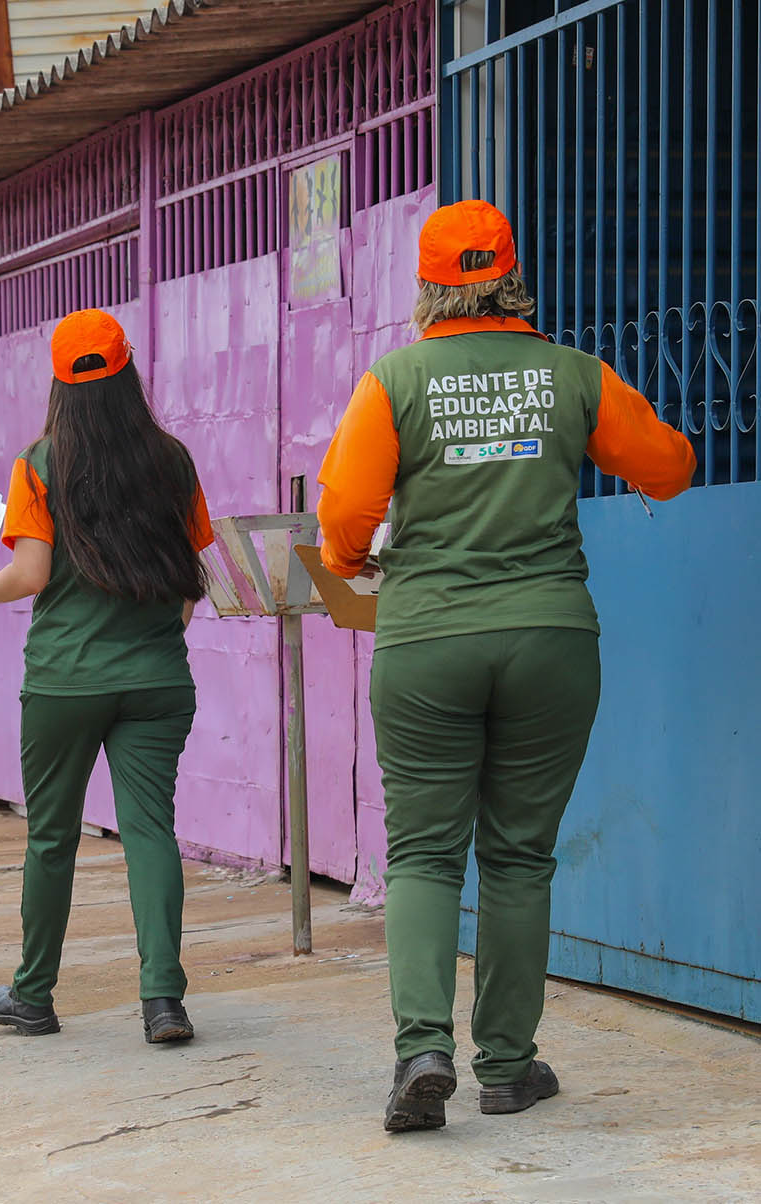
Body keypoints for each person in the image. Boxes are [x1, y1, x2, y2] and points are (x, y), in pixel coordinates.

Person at [316, 200, 697, 1132]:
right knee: (520, 856)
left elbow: (341, 524)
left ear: (430, 286)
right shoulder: (575, 375)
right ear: (513, 276)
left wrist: (352, 560)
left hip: (429, 642)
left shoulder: (395, 379)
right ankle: (509, 1067)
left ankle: (421, 1050)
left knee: (422, 853)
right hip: (550, 640)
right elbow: (671, 467)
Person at [0, 308, 215, 1045]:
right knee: (150, 830)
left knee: (52, 838)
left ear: (59, 383)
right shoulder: (173, 461)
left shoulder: (40, 462)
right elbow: (193, 577)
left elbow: (28, 573)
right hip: (156, 680)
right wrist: (152, 643)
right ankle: (163, 1002)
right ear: (127, 371)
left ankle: (33, 996)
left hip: (64, 684)